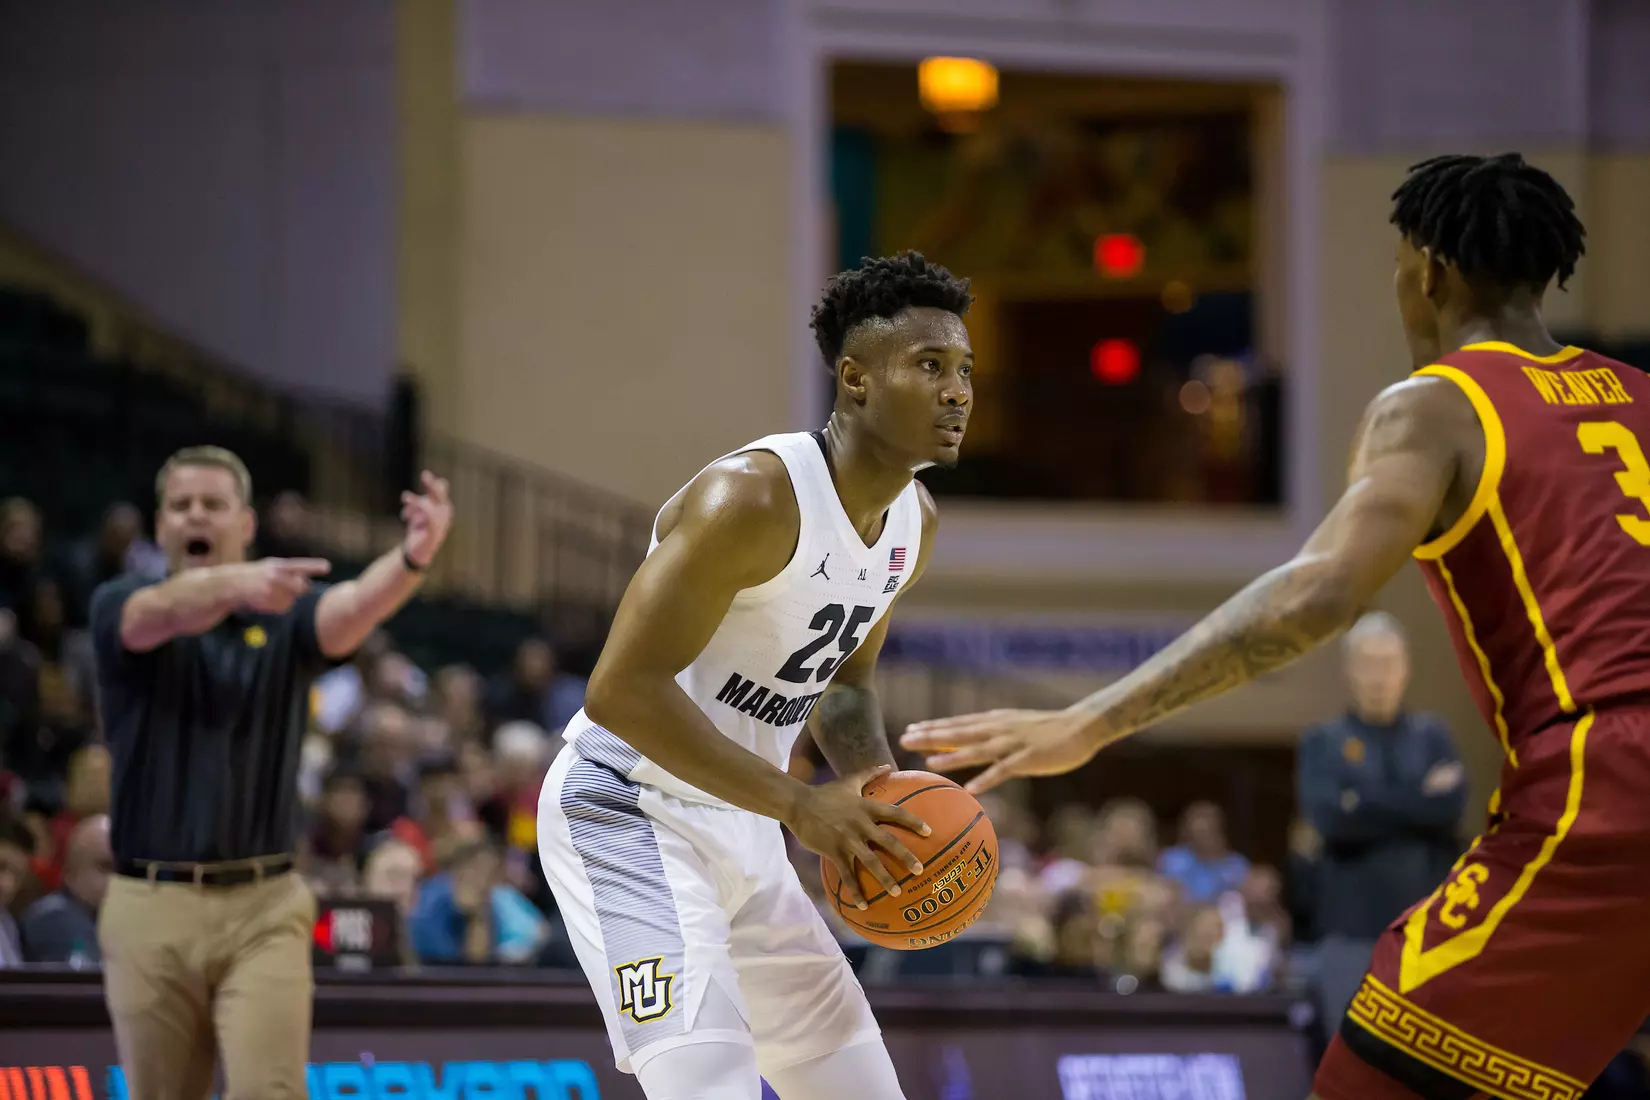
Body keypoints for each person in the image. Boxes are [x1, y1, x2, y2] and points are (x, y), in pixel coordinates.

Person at [902, 152, 1650, 1099]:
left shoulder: (1437, 406)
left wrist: (1088, 722)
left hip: (1609, 784)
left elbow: (1315, 597)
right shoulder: (1641, 395)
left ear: (1428, 272)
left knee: (1368, 1077)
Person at [537, 251, 972, 1100]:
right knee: (711, 1087)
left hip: (748, 821)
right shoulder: (754, 498)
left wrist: (876, 794)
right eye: (929, 367)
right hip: (627, 808)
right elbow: (619, 691)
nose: (957, 391)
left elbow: (843, 687)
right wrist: (804, 806)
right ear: (855, 379)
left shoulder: (910, 525)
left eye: (963, 371)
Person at [90, 445, 452, 1099]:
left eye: (213, 504)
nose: (196, 515)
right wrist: (238, 584)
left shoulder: (282, 612)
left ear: (246, 524)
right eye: (181, 505)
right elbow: (156, 618)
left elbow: (348, 612)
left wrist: (412, 559)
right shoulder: (123, 600)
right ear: (162, 524)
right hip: (150, 901)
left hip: (264, 903)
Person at [1300, 612, 1466, 1029]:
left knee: (1426, 1065)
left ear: (1406, 669)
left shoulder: (1433, 736)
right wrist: (1417, 799)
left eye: (1388, 663)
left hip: (1426, 931)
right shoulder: (1324, 741)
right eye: (1368, 663)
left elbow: (1448, 811)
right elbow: (1331, 821)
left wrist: (1363, 802)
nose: (1379, 676)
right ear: (1348, 671)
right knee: (1351, 1061)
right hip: (1350, 933)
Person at [21, 814, 111, 967]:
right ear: (70, 874)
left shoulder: (105, 917)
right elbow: (84, 982)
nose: (114, 880)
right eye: (105, 867)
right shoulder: (53, 918)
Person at [1157, 801, 1248, 904]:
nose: (1204, 834)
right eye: (1198, 831)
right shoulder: (1171, 859)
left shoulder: (1236, 864)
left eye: (1209, 828)